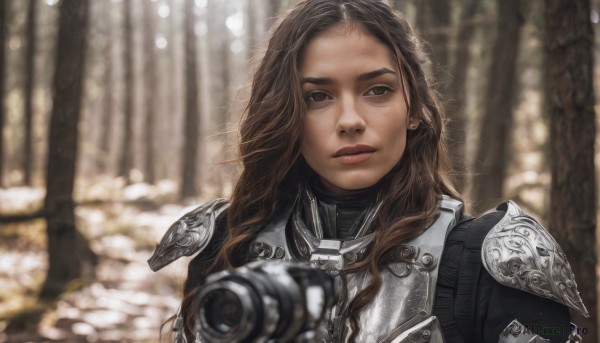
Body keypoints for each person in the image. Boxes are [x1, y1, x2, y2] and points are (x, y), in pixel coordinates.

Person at [148, 0, 589, 342]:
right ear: (287, 114)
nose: (350, 120)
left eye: (377, 89)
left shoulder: (494, 261)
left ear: (413, 107)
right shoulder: (228, 242)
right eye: (318, 97)